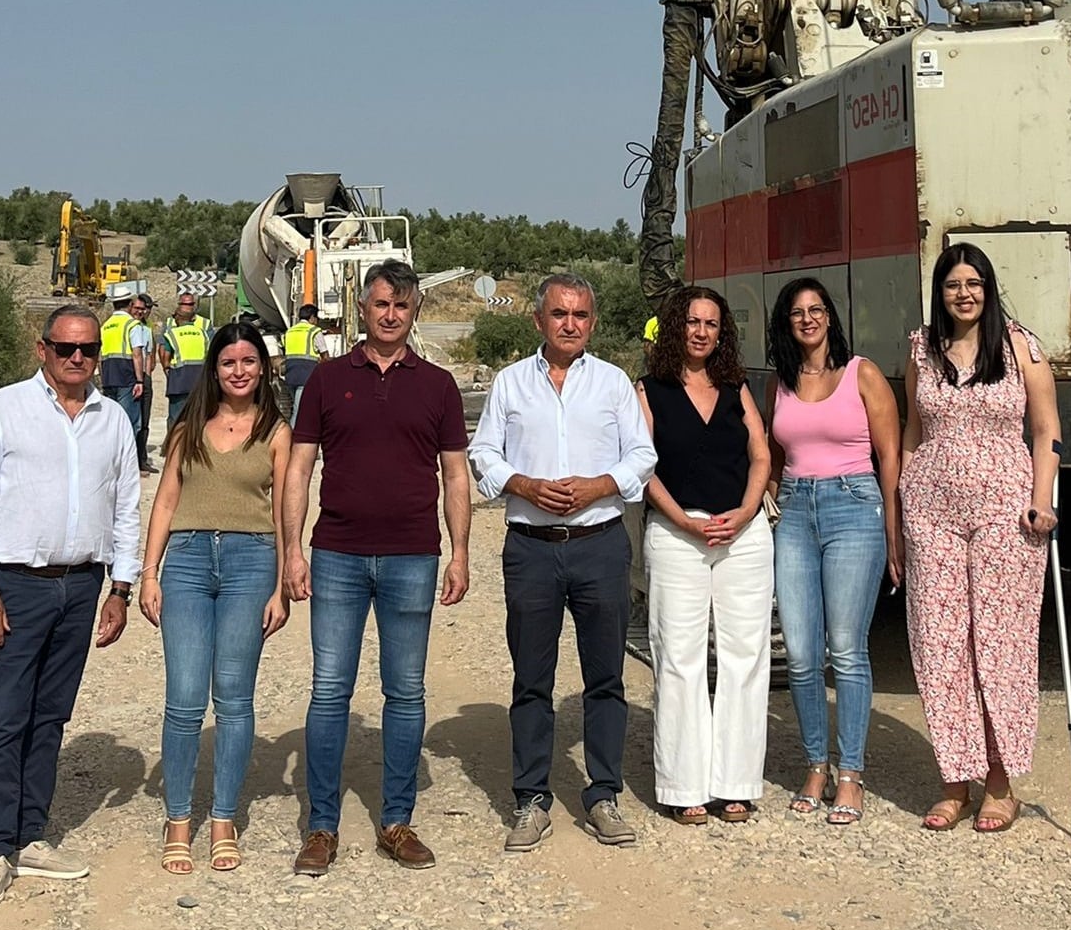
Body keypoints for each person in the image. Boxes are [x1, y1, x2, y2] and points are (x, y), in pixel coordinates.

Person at [0, 303, 141, 908]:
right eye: (66, 349)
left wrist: (120, 587)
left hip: (81, 585)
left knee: (51, 715)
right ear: (43, 350)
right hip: (16, 584)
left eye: (88, 350)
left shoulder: (112, 420)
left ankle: (32, 835)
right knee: (5, 715)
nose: (78, 359)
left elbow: (127, 504)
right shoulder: (5, 409)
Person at [282, 260, 471, 875]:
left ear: (414, 312)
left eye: (402, 305)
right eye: (380, 303)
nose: (390, 315)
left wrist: (461, 550)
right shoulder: (326, 381)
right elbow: (299, 469)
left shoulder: (438, 386)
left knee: (406, 691)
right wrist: (292, 549)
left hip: (414, 555)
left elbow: (455, 476)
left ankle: (395, 820)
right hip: (337, 553)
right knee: (330, 690)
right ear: (360, 308)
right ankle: (321, 827)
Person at [469, 273, 657, 852]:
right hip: (532, 548)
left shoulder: (613, 383)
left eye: (579, 315)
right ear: (539, 320)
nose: (569, 324)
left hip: (599, 545)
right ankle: (531, 799)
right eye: (558, 314)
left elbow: (642, 456)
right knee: (531, 680)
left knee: (606, 678)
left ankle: (603, 794)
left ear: (592, 323)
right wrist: (521, 483)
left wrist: (601, 484)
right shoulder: (509, 384)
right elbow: (482, 452)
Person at [902, 243, 1059, 833]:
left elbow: (1046, 431)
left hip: (1006, 511)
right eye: (951, 284)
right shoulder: (921, 349)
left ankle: (1000, 781)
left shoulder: (1021, 346)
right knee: (940, 642)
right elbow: (914, 432)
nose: (963, 293)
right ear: (938, 291)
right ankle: (953, 779)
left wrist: (1042, 499)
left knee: (999, 643)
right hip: (932, 510)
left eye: (974, 283)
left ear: (989, 289)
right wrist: (904, 501)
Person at [138, 323, 291, 873]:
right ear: (214, 369)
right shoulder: (187, 429)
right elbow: (163, 503)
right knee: (183, 697)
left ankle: (223, 817)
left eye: (249, 361)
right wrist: (148, 573)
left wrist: (281, 584)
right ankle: (178, 819)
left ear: (263, 367)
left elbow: (283, 512)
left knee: (233, 696)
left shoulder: (277, 431)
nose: (240, 371)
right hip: (187, 560)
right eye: (229, 362)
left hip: (252, 562)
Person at [767, 277, 902, 826]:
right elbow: (773, 457)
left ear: (830, 316)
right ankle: (815, 764)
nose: (807, 319)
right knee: (800, 652)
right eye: (797, 312)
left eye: (816, 309)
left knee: (846, 649)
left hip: (854, 508)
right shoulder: (781, 381)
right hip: (795, 512)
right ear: (787, 322)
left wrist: (895, 533)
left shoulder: (861, 374)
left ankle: (851, 773)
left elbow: (891, 458)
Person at [636, 286, 772, 824]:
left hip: (743, 533)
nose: (701, 332)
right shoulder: (648, 389)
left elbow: (761, 454)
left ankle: (735, 782)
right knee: (680, 658)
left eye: (712, 324)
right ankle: (683, 785)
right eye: (692, 322)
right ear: (676, 327)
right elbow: (642, 467)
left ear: (723, 333)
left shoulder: (736, 387)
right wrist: (682, 520)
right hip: (676, 535)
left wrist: (744, 512)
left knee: (744, 658)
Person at [98, 294, 150, 470]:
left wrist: (102, 378)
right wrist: (139, 380)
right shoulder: (132, 324)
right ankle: (127, 464)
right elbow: (137, 354)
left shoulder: (105, 326)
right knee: (130, 423)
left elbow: (100, 356)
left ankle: (110, 461)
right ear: (129, 304)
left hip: (109, 378)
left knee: (111, 422)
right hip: (127, 377)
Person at [159, 292, 212, 429]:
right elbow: (210, 354)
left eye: (189, 304)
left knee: (176, 419)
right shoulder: (202, 333)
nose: (187, 307)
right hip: (199, 380)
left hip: (178, 380)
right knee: (198, 417)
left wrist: (167, 370)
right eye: (184, 304)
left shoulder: (173, 332)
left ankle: (174, 446)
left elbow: (165, 355)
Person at [281, 303, 320, 424]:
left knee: (298, 406)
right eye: (317, 318)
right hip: (306, 376)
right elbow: (325, 354)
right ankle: (292, 438)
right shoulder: (314, 331)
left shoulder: (289, 332)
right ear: (312, 318)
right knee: (299, 410)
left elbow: (286, 350)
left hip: (290, 375)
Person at [134, 293, 158, 472]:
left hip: (144, 377)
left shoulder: (147, 328)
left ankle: (142, 459)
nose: (145, 312)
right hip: (133, 378)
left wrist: (147, 376)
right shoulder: (129, 326)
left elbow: (149, 355)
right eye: (142, 308)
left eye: (147, 309)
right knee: (134, 420)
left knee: (144, 420)